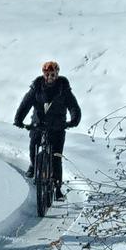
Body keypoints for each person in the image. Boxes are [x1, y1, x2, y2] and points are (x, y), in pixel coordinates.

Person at [14, 60, 81, 200]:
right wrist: (18, 119)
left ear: (57, 74)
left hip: (58, 127)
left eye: (53, 74)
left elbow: (73, 106)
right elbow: (25, 104)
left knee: (56, 157)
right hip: (39, 124)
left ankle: (58, 189)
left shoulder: (63, 88)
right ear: (43, 74)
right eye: (47, 74)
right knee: (33, 145)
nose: (50, 77)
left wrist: (74, 120)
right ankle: (33, 165)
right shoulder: (36, 87)